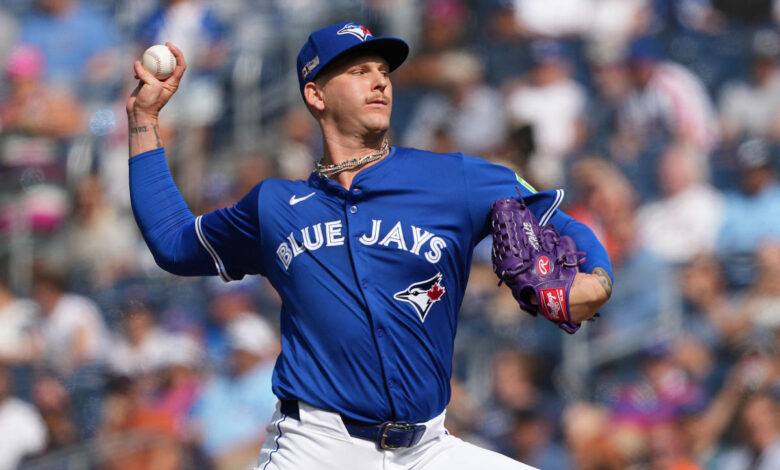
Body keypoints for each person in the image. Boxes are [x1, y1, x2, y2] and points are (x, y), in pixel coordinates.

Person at [126, 22, 613, 470]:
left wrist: (597, 281)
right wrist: (144, 119)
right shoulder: (275, 205)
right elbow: (174, 243)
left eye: (383, 71)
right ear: (315, 94)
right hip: (315, 447)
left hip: (427, 450)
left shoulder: (453, 178)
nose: (380, 81)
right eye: (359, 71)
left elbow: (562, 221)